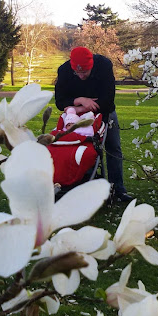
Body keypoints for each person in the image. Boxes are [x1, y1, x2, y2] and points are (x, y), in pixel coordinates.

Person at [54, 46, 133, 202]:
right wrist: (80, 101)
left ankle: (118, 189)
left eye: (85, 72)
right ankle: (82, 184)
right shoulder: (64, 71)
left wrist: (79, 107)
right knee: (81, 149)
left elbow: (107, 99)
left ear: (91, 66)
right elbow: (60, 100)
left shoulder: (104, 66)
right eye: (78, 73)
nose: (81, 76)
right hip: (76, 117)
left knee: (113, 148)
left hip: (105, 112)